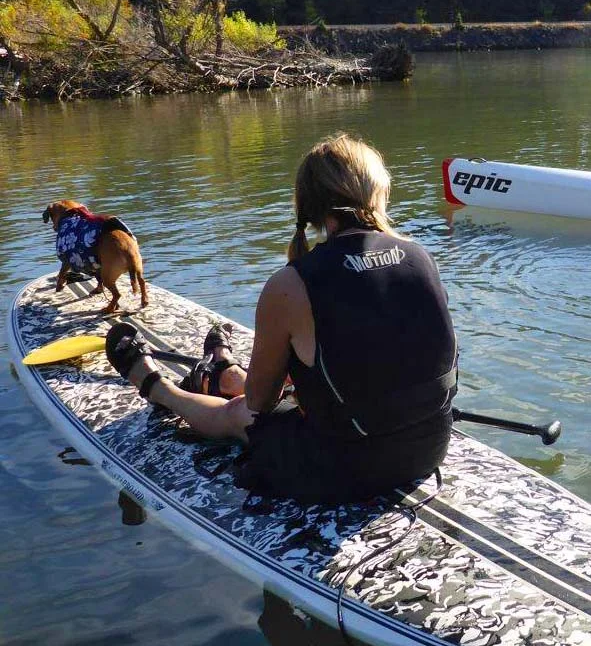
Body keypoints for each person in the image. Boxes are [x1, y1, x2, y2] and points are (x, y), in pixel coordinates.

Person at [106, 134, 458, 504]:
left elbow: (259, 401)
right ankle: (224, 373)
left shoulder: (291, 283)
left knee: (239, 415)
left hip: (350, 469)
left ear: (314, 206)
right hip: (431, 448)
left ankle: (158, 388)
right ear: (375, 189)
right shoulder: (421, 256)